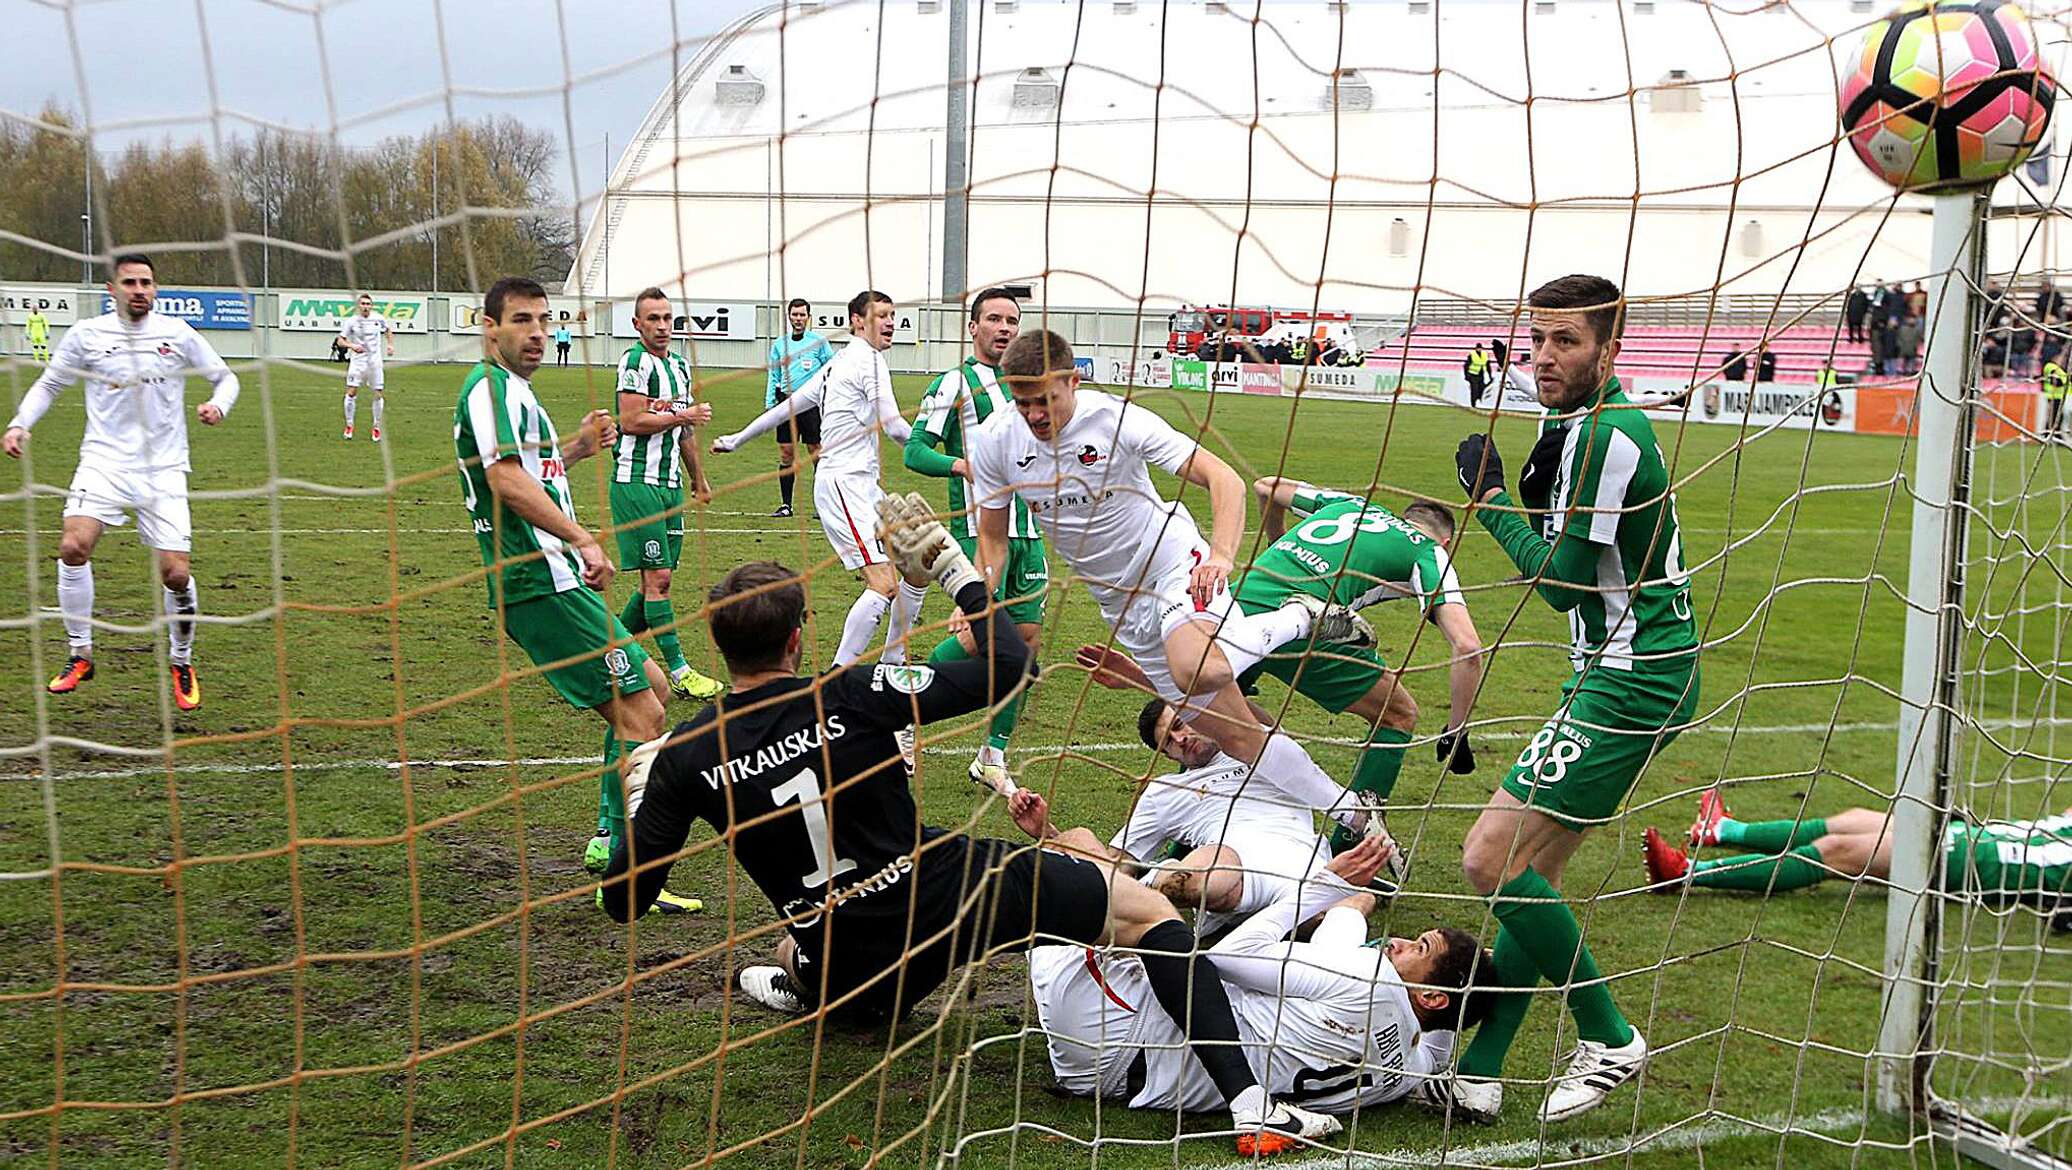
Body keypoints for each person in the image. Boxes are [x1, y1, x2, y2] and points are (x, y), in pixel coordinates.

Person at [602, 499, 1340, 1156]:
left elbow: (624, 904)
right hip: (954, 892)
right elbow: (1009, 666)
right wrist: (956, 571)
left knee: (810, 958)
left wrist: (641, 803)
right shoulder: (852, 692)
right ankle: (1252, 1104)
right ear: (800, 635)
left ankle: (803, 982)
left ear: (722, 647)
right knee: (1146, 912)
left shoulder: (684, 755)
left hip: (850, 944)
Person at [970, 328, 1388, 844]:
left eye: (1045, 400)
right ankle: (1357, 818)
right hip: (1120, 606)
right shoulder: (995, 440)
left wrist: (1220, 556)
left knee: (1198, 669)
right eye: (1023, 402)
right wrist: (980, 595)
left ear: (1073, 381)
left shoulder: (1116, 420)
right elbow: (992, 539)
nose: (1034, 414)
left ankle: (1301, 617)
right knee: (1239, 737)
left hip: (1173, 564)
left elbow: (1224, 477)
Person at [1447, 274, 1700, 1123]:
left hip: (1633, 677)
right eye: (1539, 339)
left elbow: (1558, 584)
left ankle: (1610, 1034)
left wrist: (1484, 502)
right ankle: (1480, 1068)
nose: (1545, 357)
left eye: (1567, 342)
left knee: (1491, 859)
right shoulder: (1575, 426)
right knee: (1535, 875)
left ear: (1610, 349)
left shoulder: (1608, 433)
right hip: (1616, 666)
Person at [454, 276, 697, 914]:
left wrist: (578, 449)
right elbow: (505, 480)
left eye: (543, 319)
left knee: (652, 691)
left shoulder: (514, 394)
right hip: (538, 583)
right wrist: (583, 538)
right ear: (489, 327)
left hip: (558, 577)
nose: (536, 332)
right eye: (521, 321)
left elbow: (529, 469)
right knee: (643, 716)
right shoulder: (489, 389)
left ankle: (606, 838)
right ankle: (629, 869)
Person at [1082, 479, 1486, 859]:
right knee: (1397, 714)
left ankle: (1184, 850)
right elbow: (1467, 646)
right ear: (1447, 542)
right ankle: (1354, 851)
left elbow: (1267, 487)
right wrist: (1456, 730)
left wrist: (1276, 540)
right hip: (1306, 623)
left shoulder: (1352, 505)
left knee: (1214, 716)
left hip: (1241, 602)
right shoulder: (1428, 551)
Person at [1023, 816, 1492, 1120]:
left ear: (1431, 997)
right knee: (1108, 877)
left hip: (1112, 1021)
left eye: (1419, 947)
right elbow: (1439, 1032)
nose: (1400, 942)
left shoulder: (1366, 982)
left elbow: (1227, 957)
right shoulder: (1409, 1068)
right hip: (1128, 1075)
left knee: (1085, 856)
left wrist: (1325, 884)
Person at [4, 253, 241, 711]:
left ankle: (181, 659)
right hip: (104, 463)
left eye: (146, 282)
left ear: (156, 288)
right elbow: (50, 384)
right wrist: (19, 423)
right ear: (111, 289)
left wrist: (218, 406)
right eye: (129, 282)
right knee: (73, 546)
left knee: (176, 574)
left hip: (165, 469)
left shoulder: (177, 334)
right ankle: (80, 654)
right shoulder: (87, 335)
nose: (139, 289)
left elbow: (225, 378)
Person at [714, 291, 931, 675]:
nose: (890, 323)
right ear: (856, 321)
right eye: (881, 315)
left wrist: (736, 439)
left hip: (864, 486)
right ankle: (837, 677)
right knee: (883, 583)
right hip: (842, 484)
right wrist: (933, 453)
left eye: (893, 315)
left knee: (918, 562)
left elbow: (787, 406)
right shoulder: (867, 362)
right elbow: (895, 425)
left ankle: (893, 661)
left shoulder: (839, 363)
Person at [593, 287, 728, 877]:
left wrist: (697, 479)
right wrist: (682, 415)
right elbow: (631, 420)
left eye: (668, 318)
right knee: (662, 581)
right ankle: (676, 668)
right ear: (637, 322)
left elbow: (685, 433)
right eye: (653, 318)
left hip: (669, 486)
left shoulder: (676, 364)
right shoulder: (635, 362)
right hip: (636, 485)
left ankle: (611, 639)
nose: (663, 326)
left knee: (653, 592)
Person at [903, 287, 1048, 792]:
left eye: (1012, 319)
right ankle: (901, 714)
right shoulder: (956, 383)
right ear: (973, 327)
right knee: (974, 637)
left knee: (1025, 643)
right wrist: (962, 465)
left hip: (1030, 528)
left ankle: (991, 755)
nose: (1004, 328)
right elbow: (915, 451)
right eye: (993, 319)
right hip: (980, 530)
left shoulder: (1031, 383)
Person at [1642, 790, 2071, 916]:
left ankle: (1685, 873)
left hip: (1972, 864)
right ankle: (1723, 829)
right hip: (1970, 835)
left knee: (1837, 851)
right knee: (1853, 818)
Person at [765, 297, 834, 518]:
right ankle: (786, 506)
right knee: (787, 453)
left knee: (816, 451)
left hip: (811, 405)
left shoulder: (819, 342)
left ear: (808, 317)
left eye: (802, 314)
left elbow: (832, 370)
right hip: (785, 403)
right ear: (789, 316)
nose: (798, 319)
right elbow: (773, 375)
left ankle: (824, 506)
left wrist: (829, 399)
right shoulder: (779, 345)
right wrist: (770, 404)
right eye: (794, 314)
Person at [337, 293, 394, 442]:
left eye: (368, 304)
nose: (366, 307)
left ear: (371, 306)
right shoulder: (351, 321)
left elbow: (388, 330)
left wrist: (390, 345)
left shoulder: (378, 319)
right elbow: (340, 341)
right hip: (357, 363)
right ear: (358, 306)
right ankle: (349, 425)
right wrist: (352, 346)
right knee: (351, 392)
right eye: (363, 304)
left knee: (378, 394)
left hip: (374, 362)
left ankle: (376, 427)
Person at [2042, 357, 2067, 443]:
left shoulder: (2059, 369)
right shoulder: (2052, 367)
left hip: (2058, 396)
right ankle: (2053, 436)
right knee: (2055, 417)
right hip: (2054, 395)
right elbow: (2056, 382)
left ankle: (2052, 436)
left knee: (2056, 416)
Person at [1463, 341, 1493, 407]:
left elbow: (1488, 365)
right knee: (1474, 390)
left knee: (1481, 388)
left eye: (1480, 348)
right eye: (1478, 348)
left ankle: (1478, 401)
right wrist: (1466, 375)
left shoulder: (1485, 354)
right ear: (1476, 349)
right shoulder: (1472, 354)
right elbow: (1466, 365)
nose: (1479, 349)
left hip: (1481, 374)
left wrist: (1490, 375)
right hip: (1473, 375)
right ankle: (1473, 404)